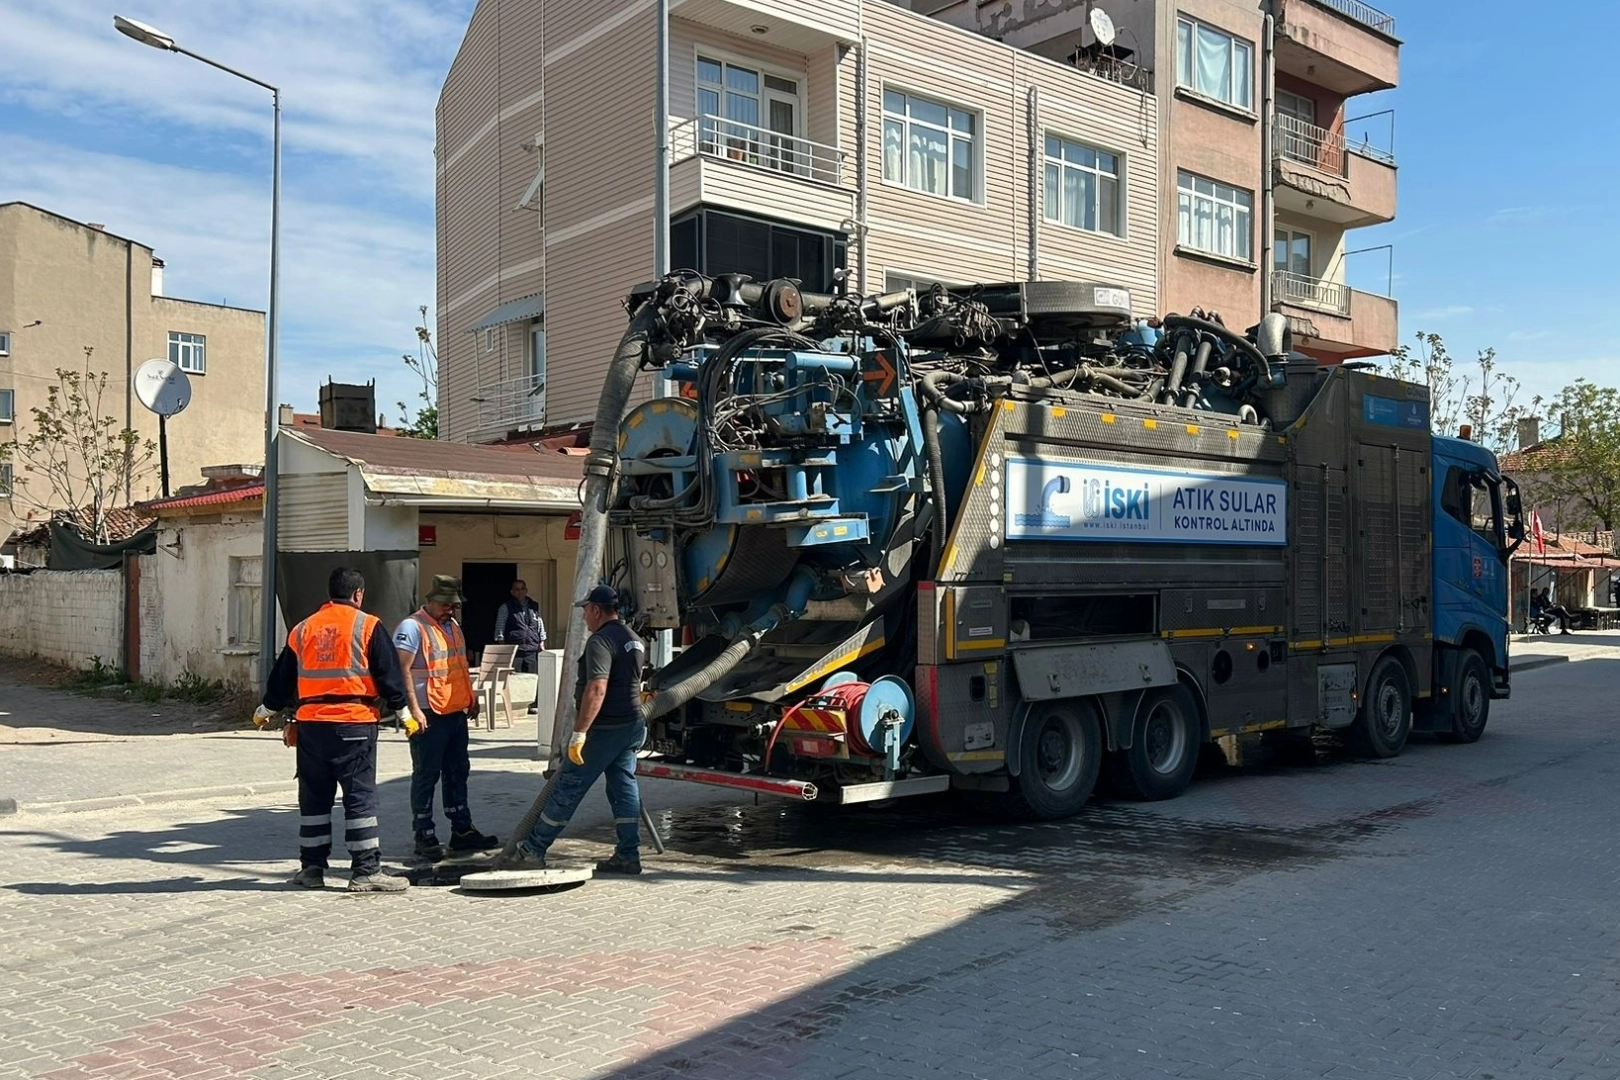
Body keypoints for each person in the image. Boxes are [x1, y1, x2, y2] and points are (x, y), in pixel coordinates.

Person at [256, 567, 411, 893]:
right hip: (354, 724)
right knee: (359, 800)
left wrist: (266, 710)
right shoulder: (368, 626)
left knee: (314, 799)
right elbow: (389, 676)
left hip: (311, 728)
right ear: (358, 594)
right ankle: (366, 870)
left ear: (330, 593)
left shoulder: (303, 629)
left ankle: (311, 869)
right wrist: (406, 714)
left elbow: (282, 678)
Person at [499, 584, 647, 875]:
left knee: (569, 786)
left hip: (605, 729)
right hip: (631, 725)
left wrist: (580, 733)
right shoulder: (633, 639)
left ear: (596, 610)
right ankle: (628, 854)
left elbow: (597, 688)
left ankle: (534, 850)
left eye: (585, 610)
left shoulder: (600, 641)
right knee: (623, 787)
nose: (583, 617)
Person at [394, 575, 501, 861]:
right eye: (445, 605)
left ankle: (462, 830)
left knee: (457, 771)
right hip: (428, 714)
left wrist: (471, 697)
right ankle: (424, 833)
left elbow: (459, 666)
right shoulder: (412, 627)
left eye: (454, 606)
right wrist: (413, 710)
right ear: (430, 600)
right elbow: (401, 669)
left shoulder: (452, 626)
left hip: (454, 712)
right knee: (426, 774)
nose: (450, 610)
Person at [494, 578, 547, 714]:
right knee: (514, 678)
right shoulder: (506, 607)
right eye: (517, 589)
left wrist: (542, 640)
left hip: (532, 647)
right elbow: (500, 626)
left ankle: (532, 704)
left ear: (526, 590)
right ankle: (514, 706)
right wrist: (502, 645)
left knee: (532, 678)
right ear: (512, 592)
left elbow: (539, 623)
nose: (520, 592)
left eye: (522, 589)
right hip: (514, 649)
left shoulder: (533, 606)